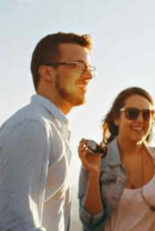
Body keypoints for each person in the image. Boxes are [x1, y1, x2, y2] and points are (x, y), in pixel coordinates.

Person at [0, 32, 94, 230]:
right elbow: (16, 224)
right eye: (78, 66)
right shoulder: (33, 126)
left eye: (89, 68)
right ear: (47, 73)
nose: (89, 75)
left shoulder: (52, 128)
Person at [78, 87, 155, 231]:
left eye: (146, 115)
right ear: (116, 119)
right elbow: (90, 221)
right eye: (132, 114)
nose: (140, 120)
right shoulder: (97, 159)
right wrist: (94, 173)